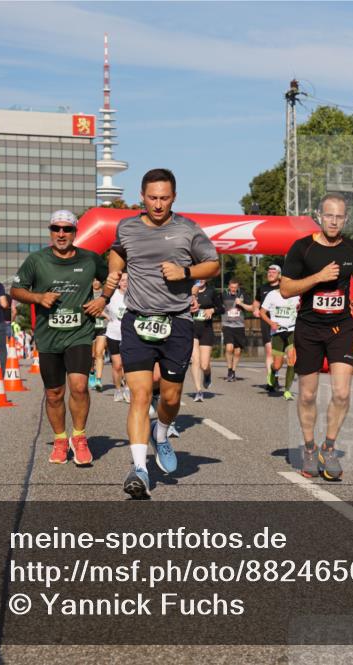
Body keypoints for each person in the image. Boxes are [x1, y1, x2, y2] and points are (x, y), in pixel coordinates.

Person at [103, 169, 220, 499]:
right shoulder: (127, 227)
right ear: (142, 196)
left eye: (164, 198)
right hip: (137, 320)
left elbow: (213, 264)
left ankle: (163, 432)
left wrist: (185, 271)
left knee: (169, 398)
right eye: (152, 197)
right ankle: (139, 468)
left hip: (177, 322)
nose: (158, 204)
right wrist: (114, 272)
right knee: (139, 395)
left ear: (174, 198)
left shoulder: (187, 230)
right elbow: (118, 250)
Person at [281, 193, 353, 481]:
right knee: (307, 394)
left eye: (340, 216)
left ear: (346, 219)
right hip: (308, 328)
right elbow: (285, 289)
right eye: (329, 215)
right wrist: (317, 278)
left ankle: (328, 448)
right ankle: (309, 448)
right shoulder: (302, 248)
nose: (334, 221)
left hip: (341, 328)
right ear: (319, 216)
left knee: (342, 392)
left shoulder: (352, 249)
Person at [10, 210, 108, 467]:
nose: (61, 234)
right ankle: (60, 439)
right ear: (50, 231)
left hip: (80, 333)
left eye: (67, 229)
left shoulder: (90, 259)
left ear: (75, 232)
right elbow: (16, 289)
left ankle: (80, 437)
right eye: (56, 229)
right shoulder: (36, 260)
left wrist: (102, 299)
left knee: (78, 386)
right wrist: (38, 297)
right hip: (48, 335)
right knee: (54, 393)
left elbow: (113, 277)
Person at [258, 284, 300, 400]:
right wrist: (271, 323)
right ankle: (272, 371)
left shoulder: (297, 295)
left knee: (292, 360)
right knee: (277, 365)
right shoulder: (272, 295)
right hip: (277, 333)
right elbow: (262, 312)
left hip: (292, 330)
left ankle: (287, 390)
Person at [190, 278, 221, 402]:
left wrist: (212, 310)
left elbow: (221, 308)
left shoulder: (212, 291)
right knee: (195, 360)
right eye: (198, 278)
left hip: (206, 330)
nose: (200, 280)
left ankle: (207, 375)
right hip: (191, 329)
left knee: (204, 364)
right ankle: (198, 391)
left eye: (203, 277)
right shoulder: (189, 291)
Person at [254, 265, 282, 390]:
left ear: (279, 274)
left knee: (279, 353)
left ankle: (275, 372)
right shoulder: (263, 288)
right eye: (269, 272)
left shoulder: (284, 287)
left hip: (281, 321)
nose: (270, 274)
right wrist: (255, 309)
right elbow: (256, 302)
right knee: (270, 351)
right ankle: (271, 380)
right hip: (266, 321)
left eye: (273, 272)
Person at [220, 278, 252, 381]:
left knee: (237, 352)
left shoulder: (243, 295)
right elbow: (217, 306)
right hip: (227, 325)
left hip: (239, 326)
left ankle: (233, 371)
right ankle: (229, 370)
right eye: (232, 287)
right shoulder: (223, 295)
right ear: (229, 286)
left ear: (238, 287)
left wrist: (241, 304)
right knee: (229, 348)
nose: (233, 289)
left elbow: (251, 308)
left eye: (235, 287)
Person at [105, 272, 130, 403]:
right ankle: (118, 389)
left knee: (128, 364)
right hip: (113, 334)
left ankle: (127, 388)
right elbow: (98, 305)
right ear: (118, 283)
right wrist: (106, 316)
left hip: (130, 335)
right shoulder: (112, 295)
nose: (125, 282)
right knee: (117, 365)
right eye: (122, 280)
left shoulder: (134, 295)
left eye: (127, 280)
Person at [89, 278, 109, 392]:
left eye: (98, 280)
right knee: (91, 355)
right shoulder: (87, 293)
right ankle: (92, 372)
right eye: (94, 280)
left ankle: (98, 380)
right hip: (90, 327)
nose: (96, 282)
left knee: (99, 353)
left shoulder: (105, 294)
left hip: (102, 327)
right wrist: (102, 313)